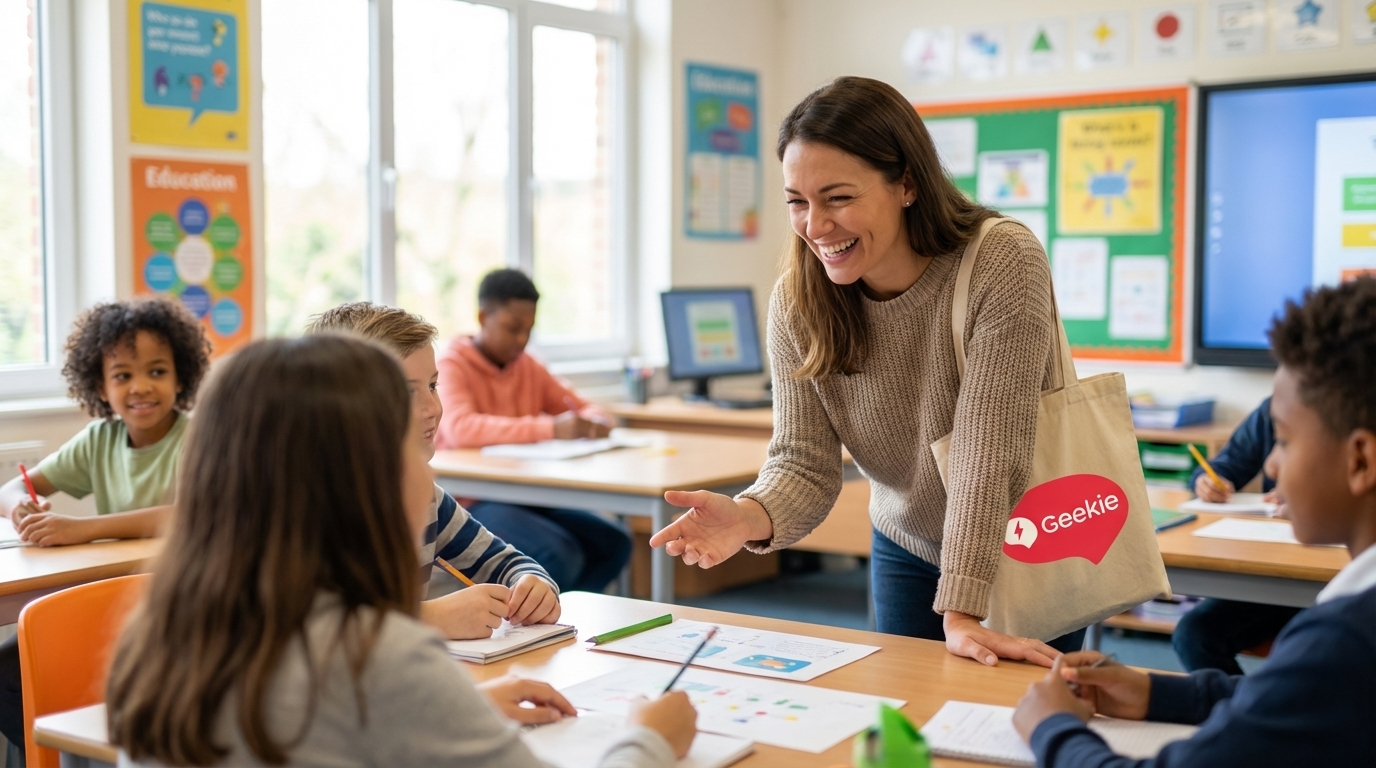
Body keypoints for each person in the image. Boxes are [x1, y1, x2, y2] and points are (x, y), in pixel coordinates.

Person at [106, 335, 697, 767]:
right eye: (404, 441)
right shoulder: (377, 655)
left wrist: (454, 709)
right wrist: (649, 738)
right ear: (364, 478)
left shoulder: (170, 633)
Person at [649, 76, 1078, 665]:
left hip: (1029, 537)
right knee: (906, 714)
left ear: (907, 184)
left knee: (1024, 716)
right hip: (908, 541)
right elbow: (803, 461)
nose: (815, 226)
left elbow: (988, 453)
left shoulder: (1001, 259)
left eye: (838, 198)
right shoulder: (798, 301)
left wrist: (962, 610)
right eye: (797, 201)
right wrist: (747, 516)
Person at [1011, 278, 1376, 766]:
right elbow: (1291, 698)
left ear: (1360, 461)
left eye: (1285, 441)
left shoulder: (1343, 646)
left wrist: (1052, 727)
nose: (1271, 465)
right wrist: (1155, 693)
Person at [0, 296, 209, 764]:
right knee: (11, 672)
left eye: (157, 371)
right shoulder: (100, 439)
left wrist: (85, 529)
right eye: (122, 375)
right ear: (100, 385)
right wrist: (19, 508)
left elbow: (189, 514)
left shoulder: (197, 436)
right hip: (113, 600)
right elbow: (11, 488)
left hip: (177, 604)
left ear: (181, 377)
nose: (141, 387)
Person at [306, 302, 561, 639]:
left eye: (432, 386)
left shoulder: (426, 498)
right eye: (407, 392)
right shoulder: (310, 506)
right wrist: (429, 618)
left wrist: (533, 585)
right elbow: (310, 626)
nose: (433, 408)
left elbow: (505, 562)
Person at [435, 269, 632, 594]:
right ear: (483, 317)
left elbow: (585, 407)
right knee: (559, 554)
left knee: (613, 542)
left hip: (527, 493)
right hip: (474, 498)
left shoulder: (526, 365)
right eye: (513, 329)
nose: (521, 340)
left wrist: (594, 421)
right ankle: (543, 617)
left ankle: (565, 616)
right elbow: (461, 429)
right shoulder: (451, 364)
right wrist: (551, 428)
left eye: (528, 330)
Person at [1173, 399, 1298, 674]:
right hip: (1277, 575)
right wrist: (1208, 481)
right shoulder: (1277, 406)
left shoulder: (1357, 409)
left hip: (1343, 586)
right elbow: (1227, 463)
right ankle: (1244, 702)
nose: (1272, 468)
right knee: (1194, 634)